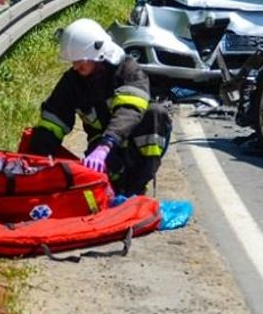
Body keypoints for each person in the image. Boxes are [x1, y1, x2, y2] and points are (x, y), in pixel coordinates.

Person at [28, 18, 172, 196]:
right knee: (101, 189)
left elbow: (129, 112)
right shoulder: (73, 80)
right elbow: (54, 119)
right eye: (73, 61)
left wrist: (107, 144)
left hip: (129, 139)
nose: (75, 66)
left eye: (80, 60)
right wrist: (38, 156)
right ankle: (115, 184)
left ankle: (137, 187)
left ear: (97, 54)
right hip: (99, 145)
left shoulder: (128, 71)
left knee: (155, 113)